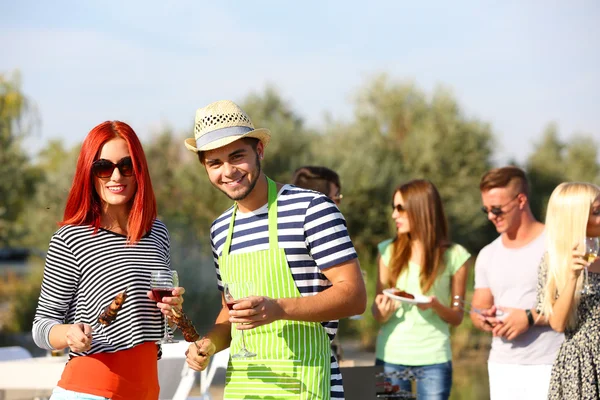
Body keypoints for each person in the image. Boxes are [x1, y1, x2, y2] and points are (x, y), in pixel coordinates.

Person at [183, 100, 366, 399]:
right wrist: (210, 344)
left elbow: (355, 296)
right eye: (215, 163)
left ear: (259, 151)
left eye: (236, 156)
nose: (227, 171)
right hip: (245, 387)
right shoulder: (219, 229)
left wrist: (279, 309)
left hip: (308, 381)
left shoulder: (311, 208)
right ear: (205, 167)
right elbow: (230, 313)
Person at [32, 121, 185, 400]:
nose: (116, 176)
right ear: (89, 174)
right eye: (104, 167)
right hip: (89, 390)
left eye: (126, 166)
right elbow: (42, 326)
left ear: (139, 171)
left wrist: (172, 313)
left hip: (146, 390)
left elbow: (150, 322)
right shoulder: (70, 239)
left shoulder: (157, 233)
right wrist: (70, 334)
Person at [372, 179, 471, 400]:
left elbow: (456, 318)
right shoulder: (387, 251)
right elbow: (377, 313)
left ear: (421, 209)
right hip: (390, 356)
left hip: (434, 359)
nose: (393, 215)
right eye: (393, 207)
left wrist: (435, 305)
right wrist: (382, 312)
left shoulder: (456, 256)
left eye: (400, 208)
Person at [471, 166, 563, 400]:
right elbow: (478, 307)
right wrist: (484, 318)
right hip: (502, 366)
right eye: (486, 210)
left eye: (497, 209)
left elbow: (573, 305)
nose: (491, 216)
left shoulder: (556, 244)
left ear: (521, 200)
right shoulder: (487, 254)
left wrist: (530, 317)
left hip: (550, 364)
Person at [536, 182, 600, 399]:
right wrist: (572, 279)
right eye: (597, 212)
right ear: (577, 218)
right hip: (582, 365)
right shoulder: (553, 262)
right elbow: (557, 323)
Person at [291, 165, 345, 361]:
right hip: (313, 354)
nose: (339, 204)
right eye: (337, 197)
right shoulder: (323, 228)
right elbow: (350, 295)